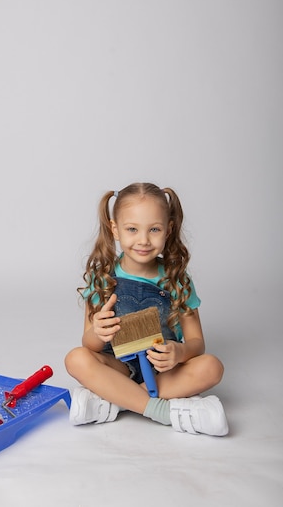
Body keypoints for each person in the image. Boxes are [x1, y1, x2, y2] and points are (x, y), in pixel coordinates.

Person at [65, 182, 228, 436]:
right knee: (76, 358)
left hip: (164, 370)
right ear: (115, 230)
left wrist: (180, 351)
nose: (143, 240)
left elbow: (197, 342)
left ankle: (117, 402)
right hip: (119, 367)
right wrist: (98, 331)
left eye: (154, 229)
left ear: (168, 230)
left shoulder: (177, 280)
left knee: (212, 367)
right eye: (132, 229)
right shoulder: (103, 279)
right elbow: (89, 344)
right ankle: (162, 410)